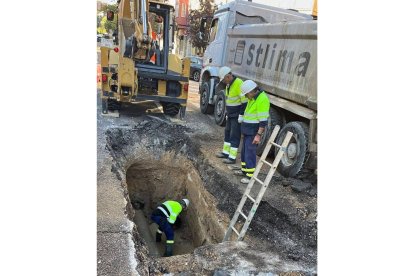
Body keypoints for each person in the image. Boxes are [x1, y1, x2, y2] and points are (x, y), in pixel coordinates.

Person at [238, 80, 270, 184]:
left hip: (253, 132)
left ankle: (250, 176)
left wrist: (258, 135)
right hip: (247, 130)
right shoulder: (253, 97)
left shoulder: (262, 99)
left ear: (252, 91)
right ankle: (244, 171)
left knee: (250, 153)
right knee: (244, 152)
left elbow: (263, 121)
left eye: (246, 94)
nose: (246, 96)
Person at [215, 66, 247, 164]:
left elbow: (244, 102)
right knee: (227, 132)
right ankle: (225, 152)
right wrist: (227, 113)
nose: (224, 82)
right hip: (231, 114)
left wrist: (241, 115)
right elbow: (230, 100)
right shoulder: (229, 84)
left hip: (237, 115)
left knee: (234, 134)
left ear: (228, 76)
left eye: (224, 79)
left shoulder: (239, 84)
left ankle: (232, 157)